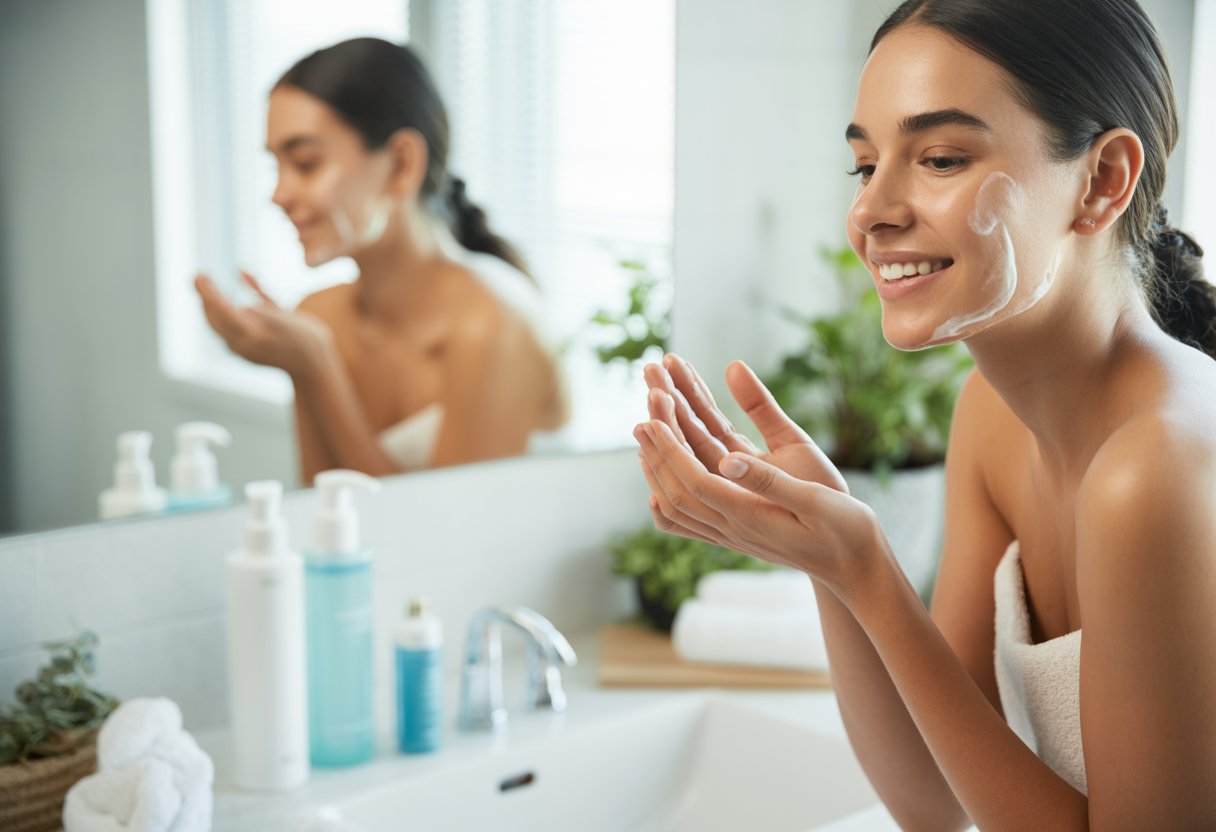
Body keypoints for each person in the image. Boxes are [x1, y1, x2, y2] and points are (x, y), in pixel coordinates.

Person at [635, 0, 1216, 827]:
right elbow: (934, 804)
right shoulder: (993, 417)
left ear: (1102, 181)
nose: (871, 212)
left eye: (940, 158)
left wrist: (871, 571)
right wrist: (835, 566)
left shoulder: (1154, 467)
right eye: (865, 166)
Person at [196, 38, 567, 484]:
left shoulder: (494, 321)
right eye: (276, 166)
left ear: (400, 163)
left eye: (306, 163)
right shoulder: (317, 318)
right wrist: (306, 364)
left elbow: (442, 533)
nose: (279, 194)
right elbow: (324, 515)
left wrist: (317, 368)